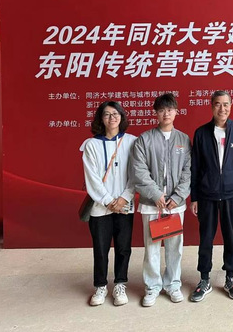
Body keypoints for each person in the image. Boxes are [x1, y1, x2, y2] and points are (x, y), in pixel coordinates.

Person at [129, 93, 191, 307]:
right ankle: (152, 287)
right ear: (155, 113)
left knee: (175, 247)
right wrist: (156, 195)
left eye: (170, 109)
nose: (166, 114)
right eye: (162, 110)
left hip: (175, 205)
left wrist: (177, 196)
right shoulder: (144, 139)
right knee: (152, 247)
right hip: (151, 204)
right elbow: (139, 170)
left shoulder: (183, 140)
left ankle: (173, 284)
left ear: (176, 112)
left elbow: (188, 171)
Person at [189, 91, 233, 302]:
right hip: (207, 194)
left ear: (231, 106)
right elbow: (195, 167)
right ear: (211, 106)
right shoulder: (201, 133)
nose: (222, 109)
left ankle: (230, 278)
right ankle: (204, 279)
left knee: (230, 237)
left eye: (226, 104)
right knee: (206, 237)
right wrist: (194, 197)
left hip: (232, 193)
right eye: (218, 104)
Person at [81, 100, 137, 307]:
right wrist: (108, 201)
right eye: (107, 114)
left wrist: (124, 198)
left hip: (125, 205)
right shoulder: (91, 145)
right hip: (100, 207)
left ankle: (120, 284)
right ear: (100, 118)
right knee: (100, 248)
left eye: (115, 114)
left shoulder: (132, 142)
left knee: (123, 247)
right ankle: (100, 286)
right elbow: (92, 178)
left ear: (121, 117)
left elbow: (136, 173)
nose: (111, 118)